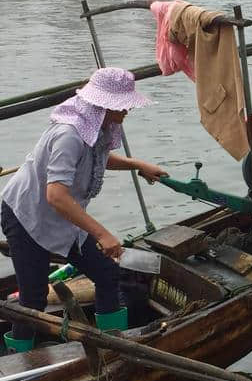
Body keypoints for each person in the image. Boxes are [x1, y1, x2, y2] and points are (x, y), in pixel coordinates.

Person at [1, 67, 168, 353]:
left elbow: (97, 157)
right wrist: (103, 234)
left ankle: (114, 347)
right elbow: (55, 195)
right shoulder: (69, 134)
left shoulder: (96, 126)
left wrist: (138, 164)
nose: (127, 109)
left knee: (106, 273)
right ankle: (19, 358)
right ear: (104, 104)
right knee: (33, 298)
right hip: (28, 215)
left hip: (63, 216)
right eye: (123, 104)